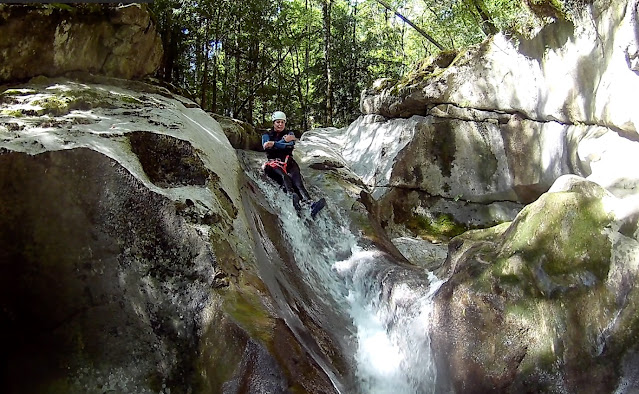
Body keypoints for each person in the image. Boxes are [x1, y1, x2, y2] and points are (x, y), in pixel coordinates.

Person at [262, 111, 325, 217]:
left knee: (298, 183)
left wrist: (275, 143)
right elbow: (266, 145)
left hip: (288, 161)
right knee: (284, 177)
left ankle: (310, 204)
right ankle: (292, 197)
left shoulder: (290, 134)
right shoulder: (266, 135)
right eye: (278, 122)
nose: (280, 124)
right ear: (273, 123)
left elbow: (290, 144)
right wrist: (282, 142)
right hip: (274, 163)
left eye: (282, 122)